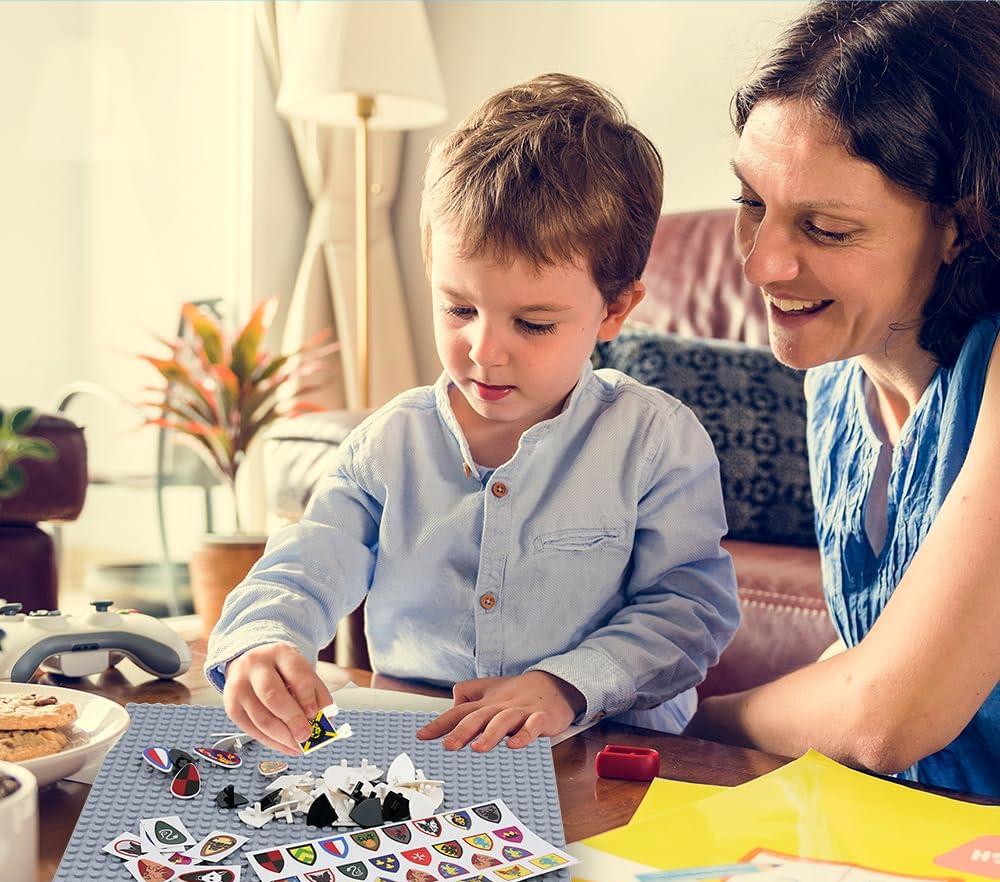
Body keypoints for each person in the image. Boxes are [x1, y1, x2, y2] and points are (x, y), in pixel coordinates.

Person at [206, 74, 740, 756]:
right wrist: (264, 638)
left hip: (597, 744)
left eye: (534, 323)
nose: (485, 351)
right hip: (415, 747)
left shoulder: (656, 441)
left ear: (614, 310)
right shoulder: (390, 442)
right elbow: (308, 561)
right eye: (459, 308)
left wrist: (564, 685)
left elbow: (688, 610)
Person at [688, 1, 1000, 797]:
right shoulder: (837, 373)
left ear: (960, 225)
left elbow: (885, 713)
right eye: (752, 203)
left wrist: (691, 720)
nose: (761, 266)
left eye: (825, 228)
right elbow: (867, 662)